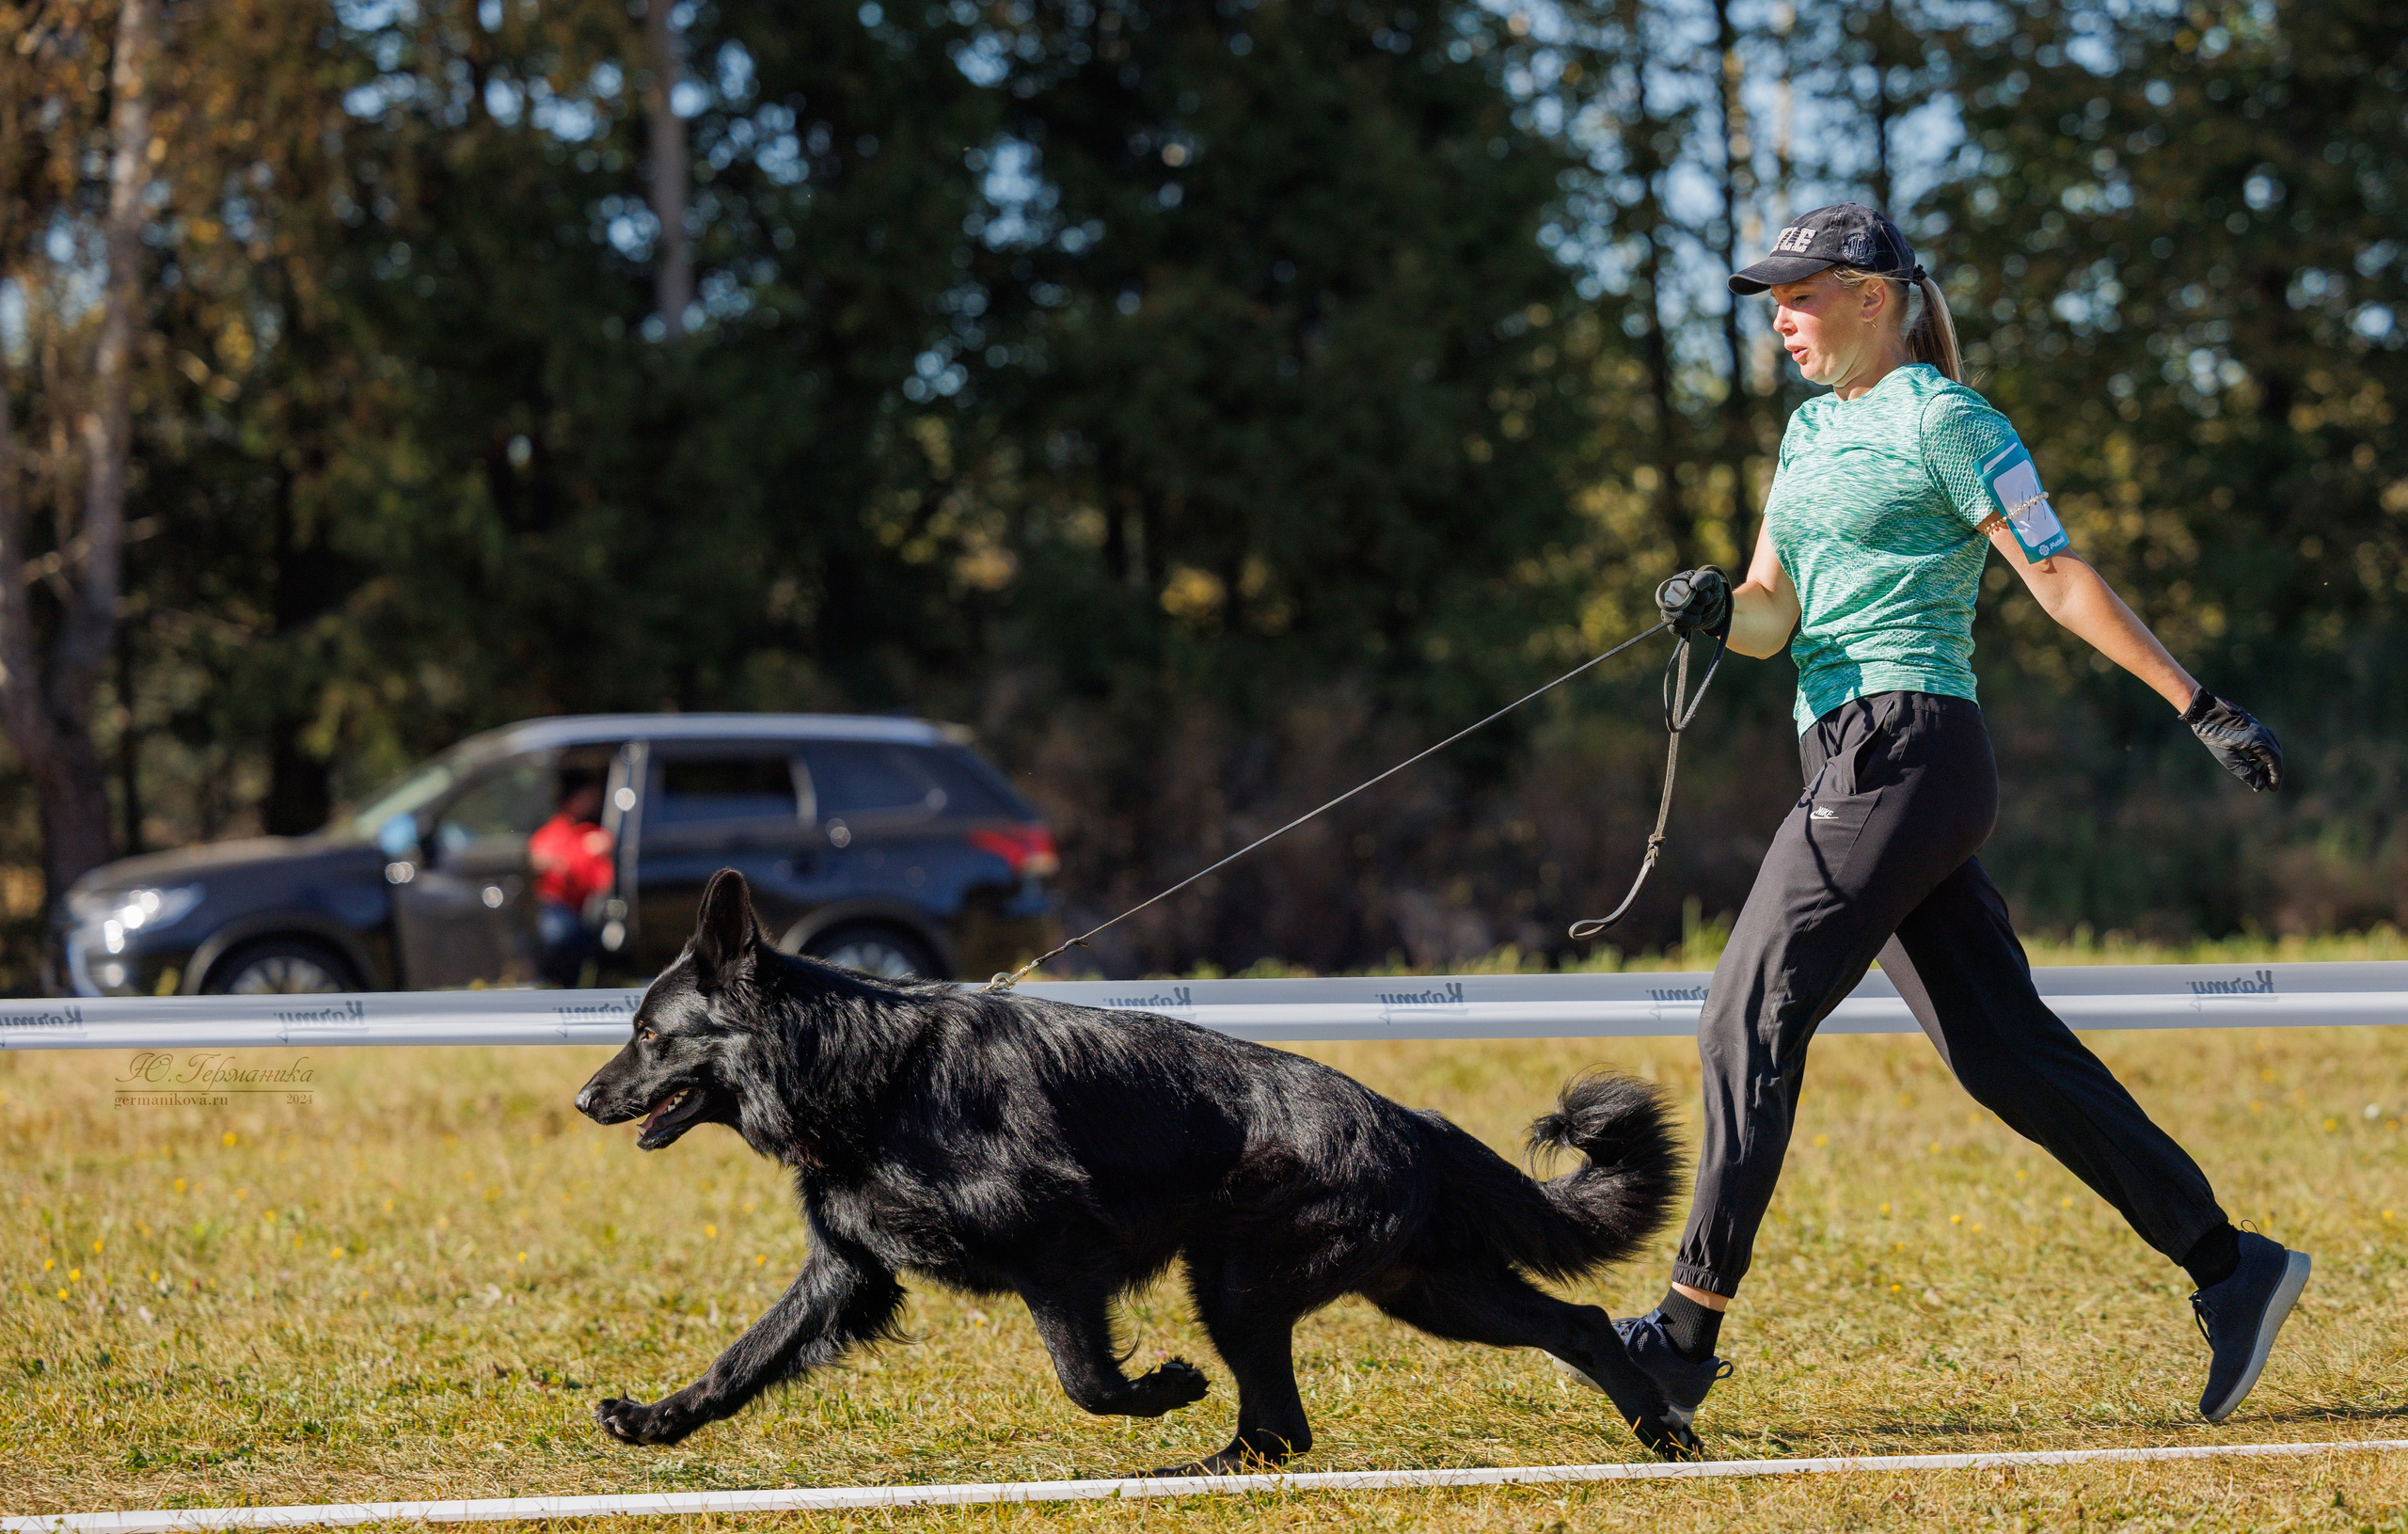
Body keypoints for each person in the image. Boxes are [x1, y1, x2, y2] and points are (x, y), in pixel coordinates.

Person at [1617, 203, 2309, 1446]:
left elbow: (2057, 574)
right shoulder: (1806, 431)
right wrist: (1720, 608)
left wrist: (2198, 704)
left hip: (1911, 750)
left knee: (1744, 1008)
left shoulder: (1950, 419)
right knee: (2003, 1049)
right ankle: (2229, 1260)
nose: (1780, 315)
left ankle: (1679, 1339)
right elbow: (1775, 611)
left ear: (1874, 295)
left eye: (1803, 294)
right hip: (1845, 751)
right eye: (1773, 297)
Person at [531, 770, 616, 988]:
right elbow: (541, 859)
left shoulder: (593, 833)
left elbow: (603, 880)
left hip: (582, 911)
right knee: (561, 934)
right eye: (589, 795)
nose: (594, 801)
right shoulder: (556, 830)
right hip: (555, 908)